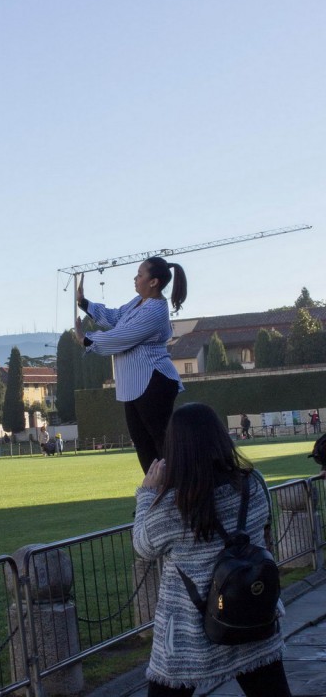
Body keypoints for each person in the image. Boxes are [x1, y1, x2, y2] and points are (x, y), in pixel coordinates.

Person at [133, 403, 290, 697]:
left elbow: (143, 546)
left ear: (175, 448)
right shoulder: (252, 485)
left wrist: (146, 494)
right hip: (253, 612)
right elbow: (263, 523)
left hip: (189, 633)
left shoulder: (172, 507)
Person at [75, 258, 187, 473]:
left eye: (139, 274)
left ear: (153, 282)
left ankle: (177, 495)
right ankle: (155, 495)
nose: (135, 279)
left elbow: (121, 336)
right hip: (136, 384)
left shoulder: (155, 310)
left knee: (161, 444)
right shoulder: (138, 302)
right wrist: (85, 303)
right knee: (143, 445)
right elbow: (115, 317)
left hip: (153, 380)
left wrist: (86, 340)